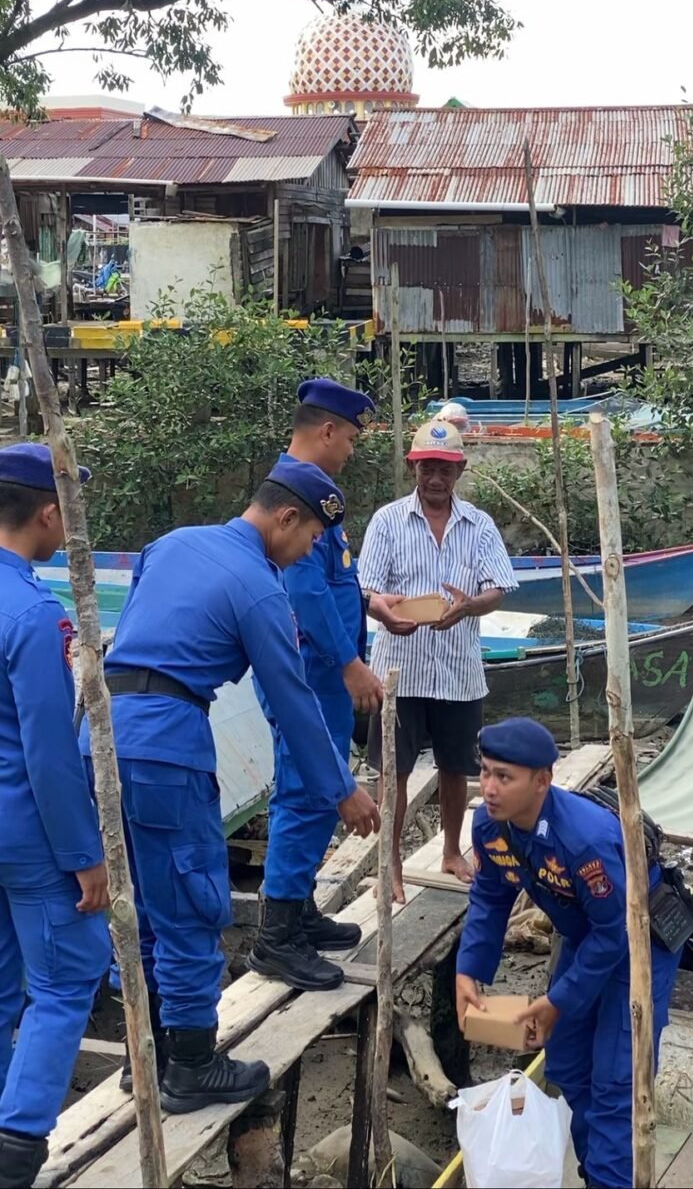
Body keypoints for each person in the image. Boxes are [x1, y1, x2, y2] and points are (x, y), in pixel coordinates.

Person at [78, 461, 380, 1113]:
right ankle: (190, 1068)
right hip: (165, 747)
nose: (304, 555)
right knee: (190, 902)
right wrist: (342, 789)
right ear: (287, 518)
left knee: (134, 907)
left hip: (99, 733)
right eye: (307, 541)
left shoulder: (171, 544)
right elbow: (293, 698)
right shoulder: (259, 588)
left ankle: (146, 1055)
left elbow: (135, 636)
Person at [456, 717, 681, 1189]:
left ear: (542, 781)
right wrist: (469, 970)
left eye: (504, 777)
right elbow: (491, 897)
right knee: (568, 1064)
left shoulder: (585, 840)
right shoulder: (489, 827)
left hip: (638, 943)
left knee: (618, 1083)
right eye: (486, 771)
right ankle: (595, 1172)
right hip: (585, 937)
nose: (490, 788)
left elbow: (617, 933)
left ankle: (611, 1181)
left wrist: (560, 1000)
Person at [251, 377, 415, 990]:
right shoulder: (292, 492)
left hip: (325, 668)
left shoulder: (315, 490)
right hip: (309, 671)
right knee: (305, 790)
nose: (350, 447)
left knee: (319, 788)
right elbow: (302, 590)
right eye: (348, 436)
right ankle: (275, 936)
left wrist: (370, 602)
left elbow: (333, 579)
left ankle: (296, 909)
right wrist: (349, 662)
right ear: (324, 430)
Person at [0, 443, 111, 1189]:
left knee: (4, 983)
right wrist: (86, 853)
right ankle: (16, 1146)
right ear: (48, 513)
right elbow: (47, 750)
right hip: (27, 830)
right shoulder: (35, 613)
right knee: (70, 976)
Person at [358, 420, 517, 902]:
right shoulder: (387, 521)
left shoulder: (479, 524)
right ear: (414, 468)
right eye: (427, 467)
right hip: (399, 667)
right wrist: (382, 609)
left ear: (459, 471)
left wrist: (470, 605)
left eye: (445, 470)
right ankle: (391, 868)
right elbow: (363, 588)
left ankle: (452, 851)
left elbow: (499, 587)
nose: (435, 478)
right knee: (394, 770)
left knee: (457, 767)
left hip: (459, 668)